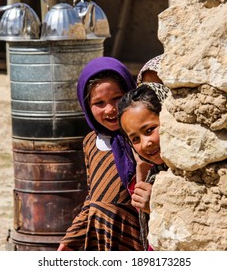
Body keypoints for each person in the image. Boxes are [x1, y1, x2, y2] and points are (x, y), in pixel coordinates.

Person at [57, 57, 143, 251]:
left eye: (117, 98)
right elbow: (94, 196)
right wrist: (70, 240)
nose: (110, 109)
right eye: (99, 103)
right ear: (87, 106)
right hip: (101, 239)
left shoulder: (141, 140)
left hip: (134, 238)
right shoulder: (91, 143)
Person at [117, 82, 171, 250]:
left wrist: (157, 205)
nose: (145, 143)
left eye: (149, 130)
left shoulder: (195, 174)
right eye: (135, 139)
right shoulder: (154, 176)